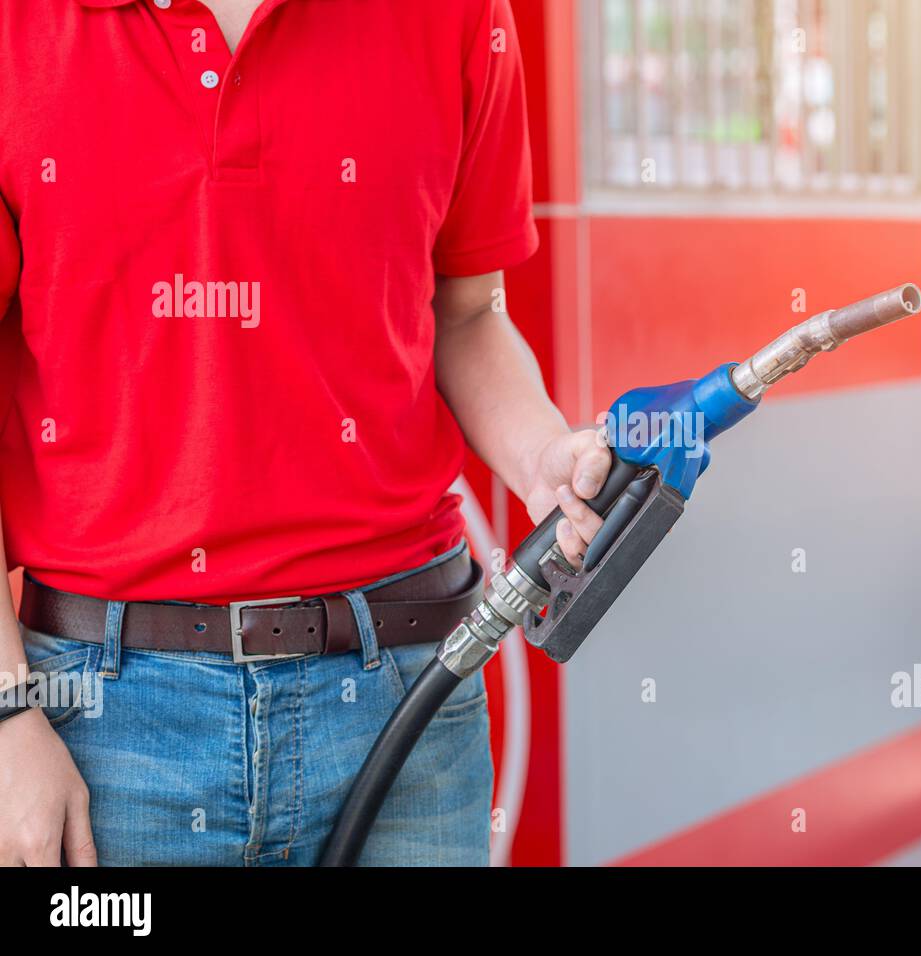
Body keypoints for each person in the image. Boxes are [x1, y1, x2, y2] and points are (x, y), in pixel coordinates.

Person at [0, 0, 606, 866]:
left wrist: (541, 454)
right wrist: (5, 717)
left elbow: (467, 314)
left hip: (409, 691)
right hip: (108, 722)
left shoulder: (459, 18)